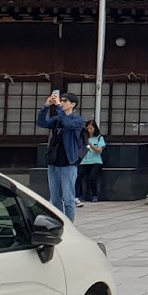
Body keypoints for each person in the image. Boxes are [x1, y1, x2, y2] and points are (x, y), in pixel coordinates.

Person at [36, 91, 87, 221]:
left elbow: (68, 124)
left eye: (65, 101)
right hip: (54, 162)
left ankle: (69, 224)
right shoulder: (57, 119)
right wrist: (46, 107)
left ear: (73, 104)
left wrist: (58, 107)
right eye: (61, 100)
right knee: (55, 199)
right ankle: (58, 223)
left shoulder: (78, 120)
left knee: (68, 198)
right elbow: (42, 123)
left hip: (68, 163)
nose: (62, 103)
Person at [79, 119, 107, 203]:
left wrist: (92, 146)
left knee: (92, 177)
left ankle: (94, 194)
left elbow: (99, 150)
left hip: (95, 161)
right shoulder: (83, 138)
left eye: (91, 128)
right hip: (84, 161)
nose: (89, 130)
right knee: (78, 176)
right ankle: (80, 195)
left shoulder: (99, 138)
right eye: (88, 128)